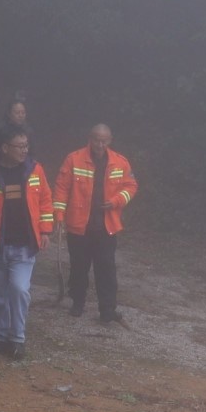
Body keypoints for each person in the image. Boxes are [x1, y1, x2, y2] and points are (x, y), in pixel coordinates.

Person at [0, 124, 55, 359]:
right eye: (20, 146)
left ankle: (18, 339)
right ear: (5, 148)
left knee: (19, 289)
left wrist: (45, 230)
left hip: (24, 246)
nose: (25, 150)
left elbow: (46, 200)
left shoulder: (35, 170)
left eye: (26, 145)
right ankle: (3, 338)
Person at [54, 123, 139, 323]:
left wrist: (117, 200)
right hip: (79, 225)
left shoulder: (120, 162)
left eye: (104, 141)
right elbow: (61, 188)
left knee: (106, 269)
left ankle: (107, 310)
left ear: (110, 140)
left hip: (106, 226)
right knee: (78, 267)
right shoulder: (74, 159)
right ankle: (78, 302)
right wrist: (59, 215)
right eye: (96, 140)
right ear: (90, 139)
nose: (100, 145)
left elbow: (131, 186)